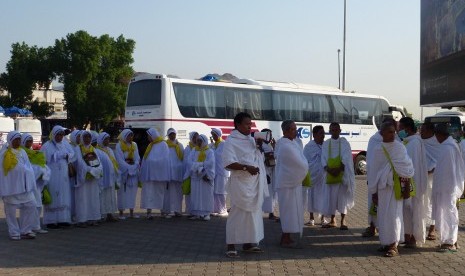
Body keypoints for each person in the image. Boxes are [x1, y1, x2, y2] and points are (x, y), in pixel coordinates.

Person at [223, 112, 268, 258]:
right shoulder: (231, 141)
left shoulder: (251, 140)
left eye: (251, 123)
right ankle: (231, 245)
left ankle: (249, 243)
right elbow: (228, 162)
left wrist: (259, 147)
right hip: (241, 184)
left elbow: (256, 157)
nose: (250, 126)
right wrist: (246, 168)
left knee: (253, 215)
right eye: (247, 124)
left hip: (254, 183)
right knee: (237, 214)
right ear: (237, 125)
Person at [368, 122, 414, 257]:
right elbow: (373, 171)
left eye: (394, 132)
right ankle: (386, 242)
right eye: (389, 132)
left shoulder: (399, 148)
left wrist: (406, 190)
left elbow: (407, 168)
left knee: (394, 215)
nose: (393, 135)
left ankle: (394, 245)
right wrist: (374, 192)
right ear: (382, 133)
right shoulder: (377, 149)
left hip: (396, 187)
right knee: (383, 216)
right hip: (382, 188)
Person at [275, 120, 308, 248]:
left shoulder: (292, 143)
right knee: (287, 211)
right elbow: (299, 164)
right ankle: (285, 237)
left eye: (295, 129)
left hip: (292, 182)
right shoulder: (285, 146)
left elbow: (301, 160)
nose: (296, 131)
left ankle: (287, 236)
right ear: (286, 131)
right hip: (287, 183)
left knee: (291, 211)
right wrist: (305, 167)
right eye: (293, 129)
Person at [432, 123, 465, 252]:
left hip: (448, 188)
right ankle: (451, 241)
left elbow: (450, 171)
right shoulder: (448, 146)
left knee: (449, 215)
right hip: (446, 188)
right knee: (448, 214)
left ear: (440, 135)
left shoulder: (448, 148)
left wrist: (448, 189)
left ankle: (450, 243)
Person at [0, 131, 38, 240]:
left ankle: (25, 230)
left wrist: (27, 173)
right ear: (10, 140)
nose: (17, 142)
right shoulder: (4, 153)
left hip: (24, 187)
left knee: (31, 205)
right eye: (15, 139)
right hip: (11, 188)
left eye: (19, 139)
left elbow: (28, 166)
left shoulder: (23, 152)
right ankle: (14, 232)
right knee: (10, 211)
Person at [398, 117, 428, 248]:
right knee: (407, 212)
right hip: (407, 182)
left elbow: (414, 164)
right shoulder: (408, 141)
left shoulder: (414, 143)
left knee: (415, 211)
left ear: (407, 128)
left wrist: (409, 185)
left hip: (413, 183)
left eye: (400, 127)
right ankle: (408, 236)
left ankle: (415, 238)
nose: (399, 130)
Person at [321, 122, 355, 229]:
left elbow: (347, 158)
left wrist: (339, 169)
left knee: (342, 198)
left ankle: (343, 221)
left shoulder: (344, 143)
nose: (335, 132)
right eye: (333, 130)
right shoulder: (326, 143)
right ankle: (332, 220)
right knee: (331, 198)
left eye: (337, 130)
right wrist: (329, 170)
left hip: (342, 175)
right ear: (330, 131)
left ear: (340, 131)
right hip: (330, 174)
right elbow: (323, 158)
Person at [41, 125, 75, 229]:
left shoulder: (65, 144)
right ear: (54, 134)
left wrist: (66, 155)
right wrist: (56, 155)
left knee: (64, 194)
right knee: (54, 193)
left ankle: (63, 219)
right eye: (58, 134)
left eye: (62, 135)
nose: (60, 137)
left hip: (64, 175)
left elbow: (72, 154)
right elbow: (43, 159)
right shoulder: (47, 145)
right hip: (53, 174)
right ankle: (51, 221)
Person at [21, 133, 51, 234]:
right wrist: (38, 171)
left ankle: (36, 226)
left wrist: (43, 171)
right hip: (27, 185)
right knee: (29, 207)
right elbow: (26, 169)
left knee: (37, 205)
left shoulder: (33, 152)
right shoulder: (21, 153)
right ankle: (27, 228)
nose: (30, 143)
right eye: (27, 141)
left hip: (37, 184)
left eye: (31, 141)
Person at [74, 130, 103, 227]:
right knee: (83, 199)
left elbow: (98, 161)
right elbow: (79, 162)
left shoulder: (92, 149)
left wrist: (97, 170)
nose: (87, 139)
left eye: (89, 137)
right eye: (85, 137)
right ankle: (82, 219)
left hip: (93, 178)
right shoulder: (78, 148)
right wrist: (89, 169)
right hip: (84, 178)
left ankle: (93, 218)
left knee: (93, 197)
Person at [139, 128, 170, 219]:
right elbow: (146, 159)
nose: (148, 137)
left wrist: (151, 162)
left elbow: (165, 159)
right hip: (149, 175)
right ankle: (149, 212)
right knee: (149, 193)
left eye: (149, 136)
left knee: (160, 193)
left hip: (159, 175)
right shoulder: (151, 145)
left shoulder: (163, 144)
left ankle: (162, 212)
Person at [303, 125, 327, 226]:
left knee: (323, 196)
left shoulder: (326, 145)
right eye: (321, 133)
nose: (323, 135)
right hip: (312, 175)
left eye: (324, 133)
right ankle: (311, 218)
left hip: (324, 176)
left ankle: (323, 218)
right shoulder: (309, 146)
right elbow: (304, 161)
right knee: (311, 197)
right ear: (314, 135)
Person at [420, 122, 441, 240]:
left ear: (430, 131)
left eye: (422, 130)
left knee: (432, 202)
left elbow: (441, 159)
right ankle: (420, 227)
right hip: (420, 178)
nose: (420, 132)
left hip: (433, 178)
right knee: (421, 203)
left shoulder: (437, 143)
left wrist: (431, 168)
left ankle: (432, 228)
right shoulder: (419, 142)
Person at [188, 134, 215, 221]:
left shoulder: (209, 151)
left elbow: (211, 163)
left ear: (204, 141)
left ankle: (207, 213)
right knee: (196, 195)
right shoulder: (194, 150)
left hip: (205, 176)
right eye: (198, 140)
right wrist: (199, 166)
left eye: (200, 141)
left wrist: (200, 167)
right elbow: (189, 161)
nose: (199, 142)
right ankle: (197, 214)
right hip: (196, 176)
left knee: (206, 195)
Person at [115, 129, 141, 219]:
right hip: (124, 173)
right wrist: (129, 168)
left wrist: (134, 166)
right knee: (122, 193)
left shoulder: (134, 145)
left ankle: (131, 212)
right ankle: (121, 213)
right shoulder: (119, 146)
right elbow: (119, 160)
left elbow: (137, 158)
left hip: (133, 172)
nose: (130, 137)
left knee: (132, 193)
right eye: (129, 136)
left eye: (131, 135)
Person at [96, 132, 120, 222]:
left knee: (110, 196)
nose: (107, 141)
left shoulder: (109, 150)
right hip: (103, 177)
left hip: (111, 177)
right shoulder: (97, 150)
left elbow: (114, 162)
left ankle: (110, 214)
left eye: (108, 139)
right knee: (103, 196)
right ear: (101, 140)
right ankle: (102, 215)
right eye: (105, 139)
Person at [164, 128, 184, 218]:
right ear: (168, 135)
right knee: (169, 193)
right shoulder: (165, 145)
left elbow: (183, 158)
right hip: (168, 173)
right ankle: (169, 211)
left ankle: (177, 210)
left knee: (178, 193)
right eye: (171, 134)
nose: (172, 135)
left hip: (178, 172)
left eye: (173, 134)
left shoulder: (179, 145)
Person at [210, 128, 230, 217]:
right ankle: (216, 209)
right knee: (215, 191)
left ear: (218, 135)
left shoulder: (224, 144)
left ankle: (223, 209)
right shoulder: (213, 145)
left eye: (214, 135)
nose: (213, 137)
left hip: (223, 171)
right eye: (212, 135)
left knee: (222, 191)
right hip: (215, 171)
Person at [260, 128, 278, 220]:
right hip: (265, 171)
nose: (271, 137)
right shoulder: (261, 145)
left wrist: (274, 147)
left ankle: (271, 212)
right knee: (264, 193)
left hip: (271, 171)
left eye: (271, 135)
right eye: (269, 135)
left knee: (272, 193)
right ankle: (260, 212)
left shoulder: (269, 145)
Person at [67, 130, 81, 223]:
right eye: (78, 136)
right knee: (71, 196)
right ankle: (70, 215)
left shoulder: (79, 147)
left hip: (78, 176)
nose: (79, 138)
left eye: (80, 136)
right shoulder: (69, 147)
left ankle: (76, 214)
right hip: (71, 176)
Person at [183, 131, 199, 216]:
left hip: (197, 174)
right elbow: (186, 162)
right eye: (194, 138)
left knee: (196, 193)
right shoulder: (188, 148)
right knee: (189, 193)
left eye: (197, 137)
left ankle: (195, 210)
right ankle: (189, 210)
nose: (196, 139)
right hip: (189, 174)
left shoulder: (199, 148)